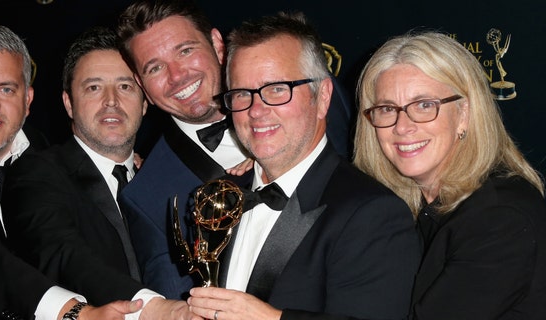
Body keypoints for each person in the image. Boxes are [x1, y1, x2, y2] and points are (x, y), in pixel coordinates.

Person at [186, 12, 421, 320]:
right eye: (242, 94)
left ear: (322, 96)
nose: (256, 110)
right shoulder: (221, 201)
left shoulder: (373, 215)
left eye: (277, 89)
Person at [116, 0, 354, 300]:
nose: (177, 76)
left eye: (185, 51)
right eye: (155, 68)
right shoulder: (147, 197)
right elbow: (183, 308)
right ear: (141, 84)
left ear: (217, 44)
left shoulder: (311, 94)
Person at [0, 24, 143, 320]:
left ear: (28, 99)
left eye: (6, 89)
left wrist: (129, 168)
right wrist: (73, 313)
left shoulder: (40, 150)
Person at [1, 26, 197, 320]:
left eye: (125, 86)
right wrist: (148, 308)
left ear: (145, 102)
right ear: (68, 103)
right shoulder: (37, 174)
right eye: (94, 87)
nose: (111, 101)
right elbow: (64, 255)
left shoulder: (164, 177)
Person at [353, 30, 546, 319]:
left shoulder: (500, 217)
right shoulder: (416, 208)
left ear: (464, 114)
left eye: (424, 105)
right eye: (387, 108)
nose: (402, 127)